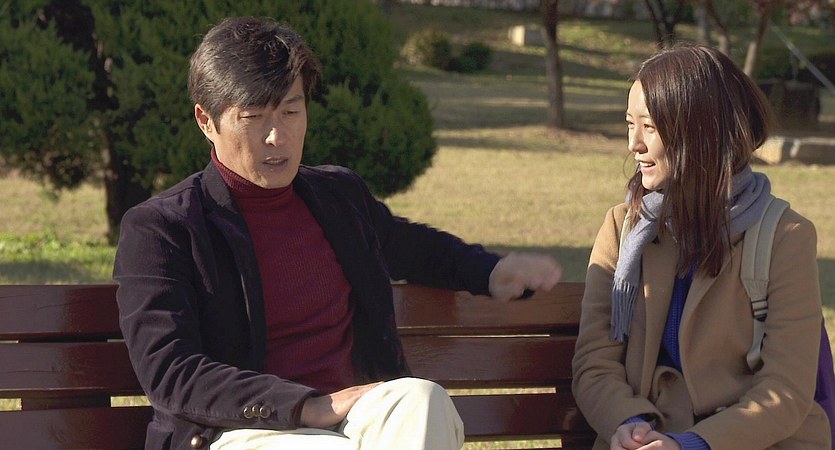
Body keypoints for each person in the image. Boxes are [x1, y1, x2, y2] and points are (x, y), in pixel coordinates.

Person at [113, 16, 563, 450]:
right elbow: (171, 371)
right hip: (243, 430)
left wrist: (491, 271)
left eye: (291, 111)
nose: (277, 136)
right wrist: (306, 406)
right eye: (253, 117)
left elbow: (413, 247)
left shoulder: (337, 197)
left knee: (422, 400)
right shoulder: (163, 229)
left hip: (356, 419)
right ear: (206, 121)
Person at [571, 43, 830, 450]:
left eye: (650, 127)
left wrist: (691, 444)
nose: (633, 144)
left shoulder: (785, 236)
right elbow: (595, 364)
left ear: (700, 132)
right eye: (629, 124)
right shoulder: (623, 228)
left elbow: (785, 389)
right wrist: (629, 424)